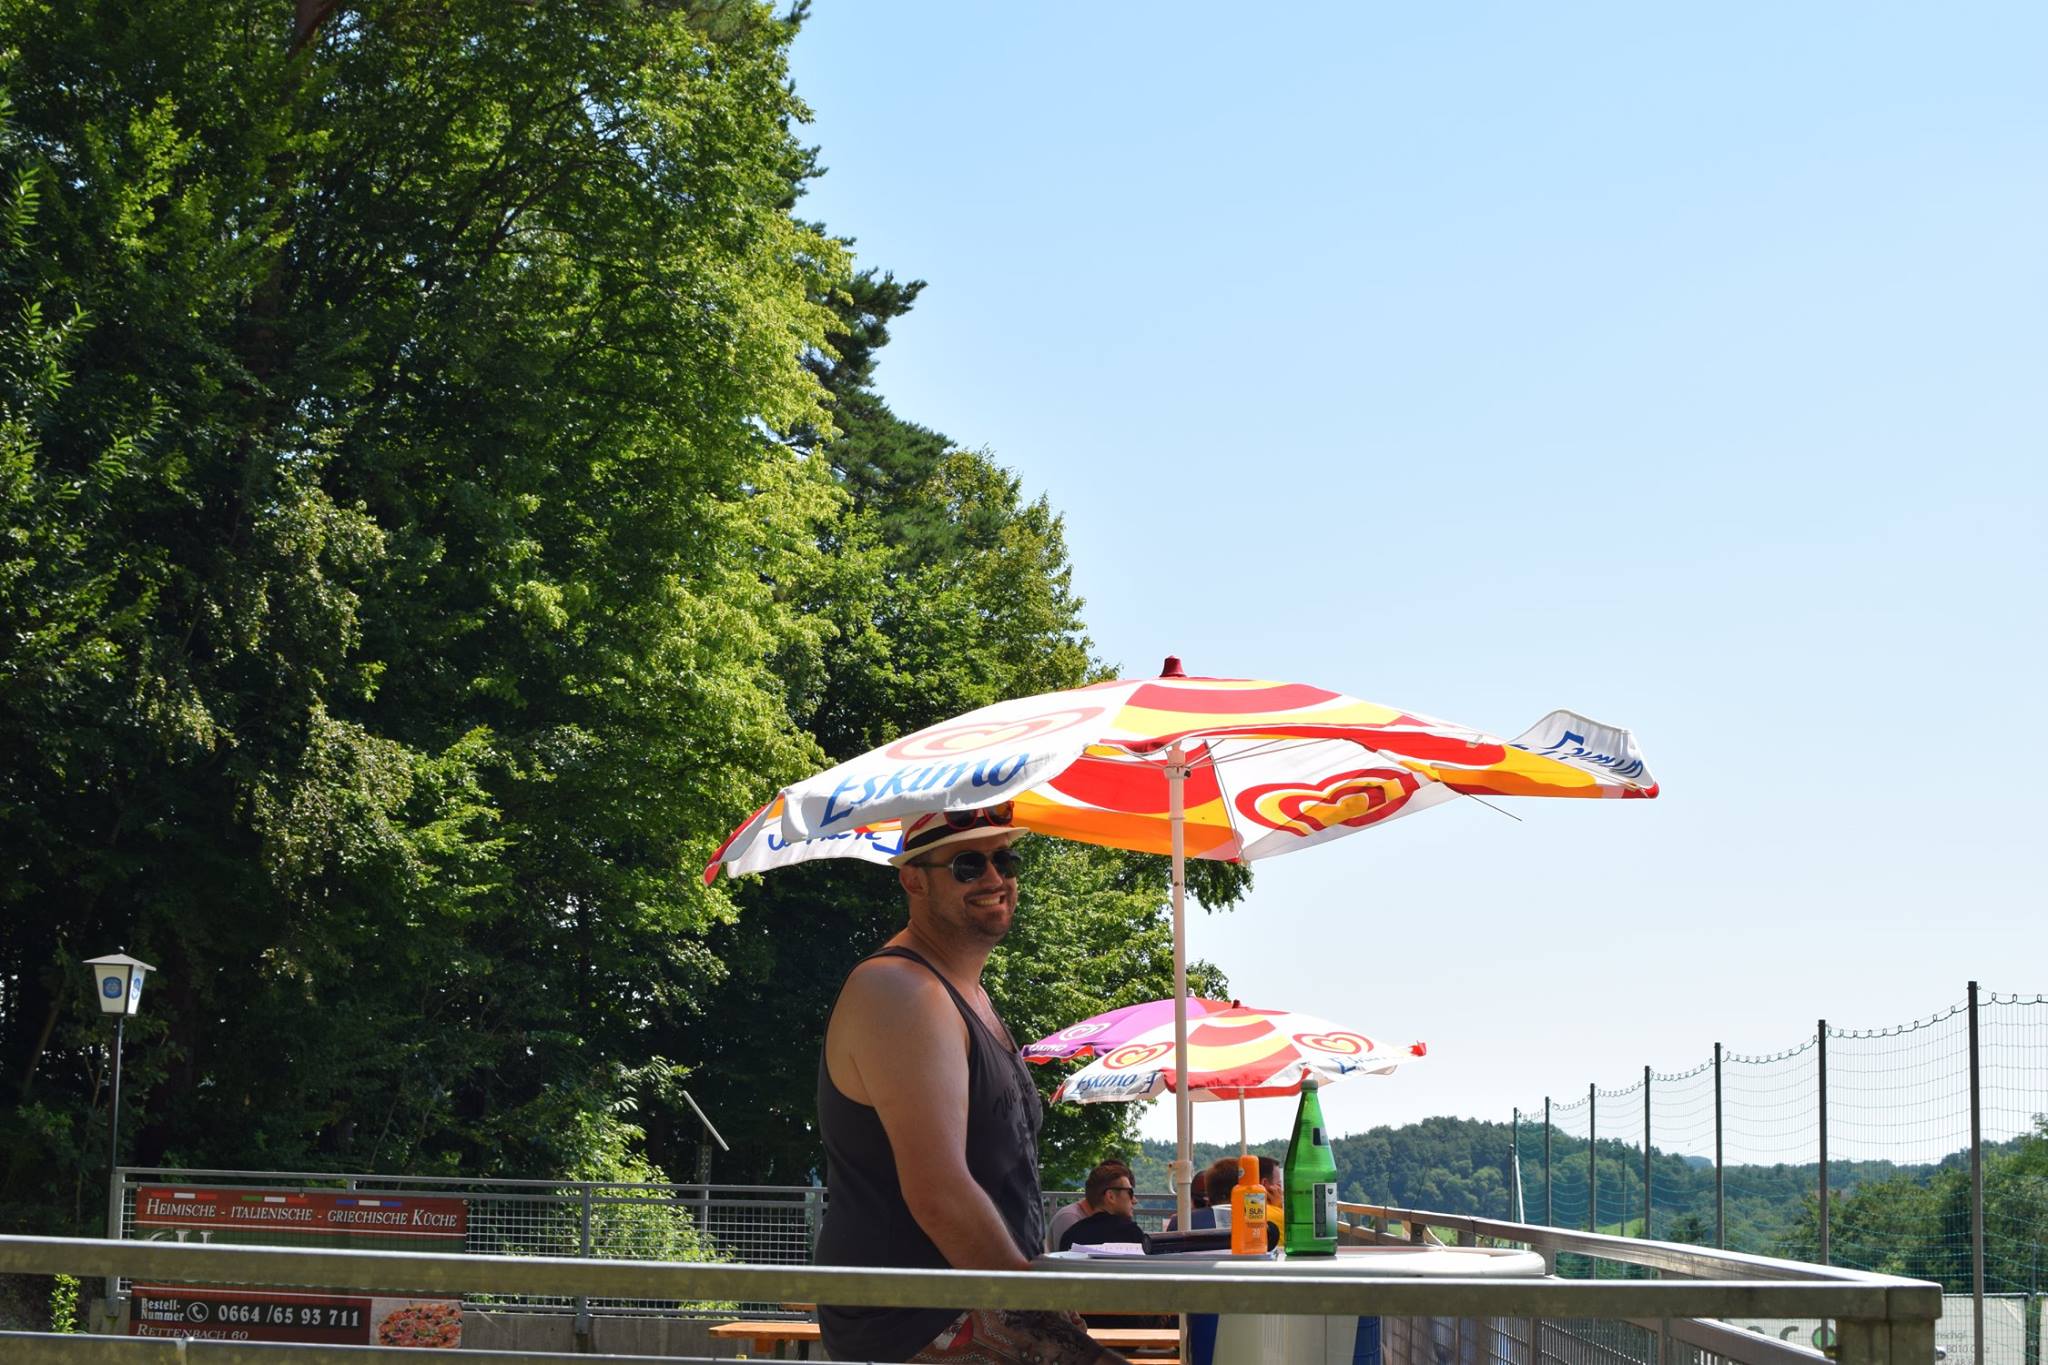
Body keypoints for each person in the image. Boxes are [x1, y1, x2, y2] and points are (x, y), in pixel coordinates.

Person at [814, 804, 1126, 1364]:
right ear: (913, 879)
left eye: (1005, 860)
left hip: (974, 1298)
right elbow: (940, 1193)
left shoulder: (966, 995)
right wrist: (1035, 1304)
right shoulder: (900, 990)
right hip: (916, 1320)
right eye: (967, 865)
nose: (994, 878)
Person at [1047, 1158, 1131, 1250]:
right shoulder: (1070, 1217)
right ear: (1110, 1196)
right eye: (1129, 1193)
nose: (1134, 1200)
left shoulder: (1111, 1226)